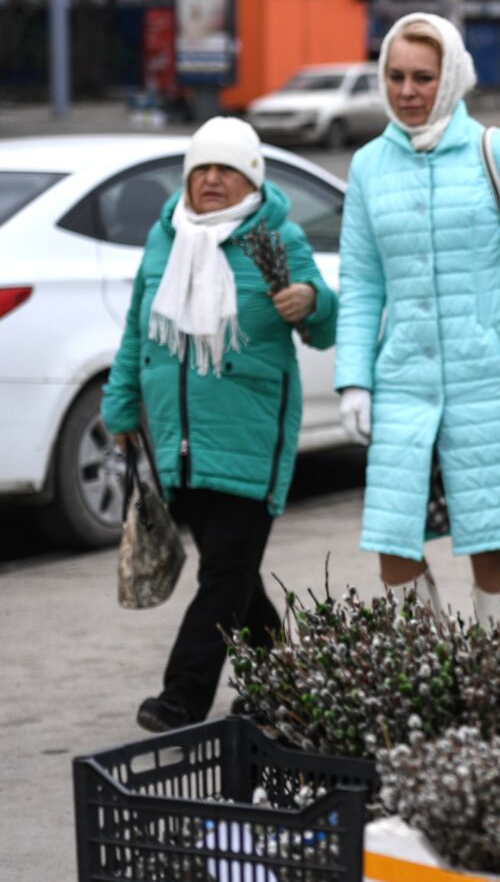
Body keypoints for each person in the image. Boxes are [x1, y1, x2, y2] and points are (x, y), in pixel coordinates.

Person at [335, 13, 500, 623]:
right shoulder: (369, 166)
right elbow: (361, 283)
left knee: (488, 541)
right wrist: (354, 379)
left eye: (423, 77)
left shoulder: (496, 149)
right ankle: (427, 677)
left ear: (451, 77)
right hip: (404, 384)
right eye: (396, 76)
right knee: (391, 543)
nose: (407, 91)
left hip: (490, 382)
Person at [101, 117, 338, 732]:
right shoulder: (166, 238)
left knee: (223, 573)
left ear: (250, 178)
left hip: (251, 434)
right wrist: (121, 404)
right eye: (200, 169)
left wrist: (311, 301)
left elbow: (324, 326)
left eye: (225, 170)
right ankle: (281, 682)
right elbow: (137, 329)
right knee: (236, 577)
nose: (210, 180)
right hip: (180, 440)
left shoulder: (277, 237)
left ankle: (182, 694)